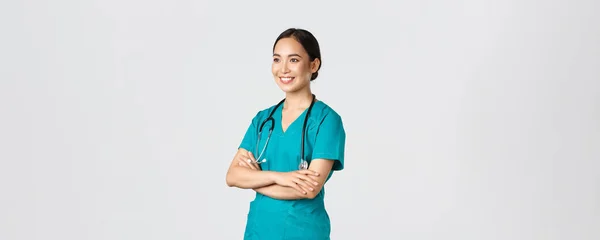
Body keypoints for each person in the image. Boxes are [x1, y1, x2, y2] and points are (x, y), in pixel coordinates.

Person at [225, 27, 346, 240]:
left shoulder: (327, 121)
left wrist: (256, 180)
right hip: (259, 230)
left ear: (314, 64)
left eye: (293, 60)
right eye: (277, 59)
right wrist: (282, 177)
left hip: (303, 231)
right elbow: (233, 176)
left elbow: (308, 189)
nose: (283, 69)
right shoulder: (263, 120)